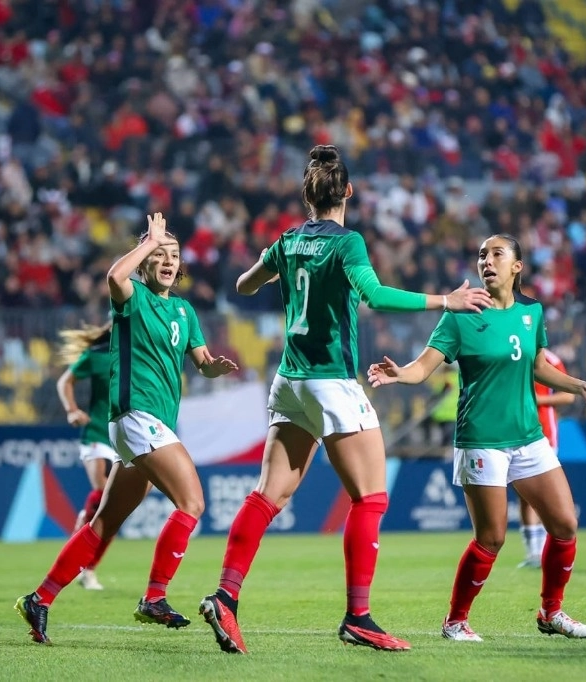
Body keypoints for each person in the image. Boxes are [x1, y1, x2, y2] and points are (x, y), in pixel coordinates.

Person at [198, 145, 493, 654]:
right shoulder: (348, 243)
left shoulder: (289, 239)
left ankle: (226, 596)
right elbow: (374, 295)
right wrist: (446, 300)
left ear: (306, 196)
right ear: (348, 193)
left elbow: (246, 286)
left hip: (289, 380)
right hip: (332, 381)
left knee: (266, 496)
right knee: (371, 497)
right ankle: (358, 616)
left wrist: (278, 269)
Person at [367, 233, 586, 642]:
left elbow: (538, 366)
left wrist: (581, 386)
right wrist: (400, 374)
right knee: (492, 537)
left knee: (564, 525)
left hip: (528, 435)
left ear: (517, 266)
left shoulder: (532, 312)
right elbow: (422, 368)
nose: (487, 260)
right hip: (481, 439)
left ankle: (551, 612)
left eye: (497, 254)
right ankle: (455, 621)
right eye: (482, 255)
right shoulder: (459, 315)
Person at [16, 213, 239, 644]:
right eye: (159, 255)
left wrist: (214, 369)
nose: (168, 261)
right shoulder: (131, 295)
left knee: (104, 524)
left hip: (146, 424)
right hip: (138, 416)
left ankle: (39, 598)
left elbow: (202, 362)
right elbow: (113, 274)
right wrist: (147, 240)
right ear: (145, 263)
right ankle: (154, 596)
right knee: (191, 503)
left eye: (173, 255)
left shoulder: (184, 310)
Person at [55, 320, 119, 590]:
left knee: (114, 506)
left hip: (126, 434)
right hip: (96, 431)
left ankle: (88, 568)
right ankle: (83, 543)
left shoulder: (140, 355)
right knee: (102, 488)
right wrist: (71, 409)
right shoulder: (96, 356)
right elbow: (65, 381)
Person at [517, 349, 575, 569]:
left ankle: (544, 550)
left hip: (544, 434)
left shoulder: (550, 359)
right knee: (523, 495)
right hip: (514, 432)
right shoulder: (512, 349)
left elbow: (567, 395)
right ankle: (533, 552)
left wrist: (538, 399)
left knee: (541, 495)